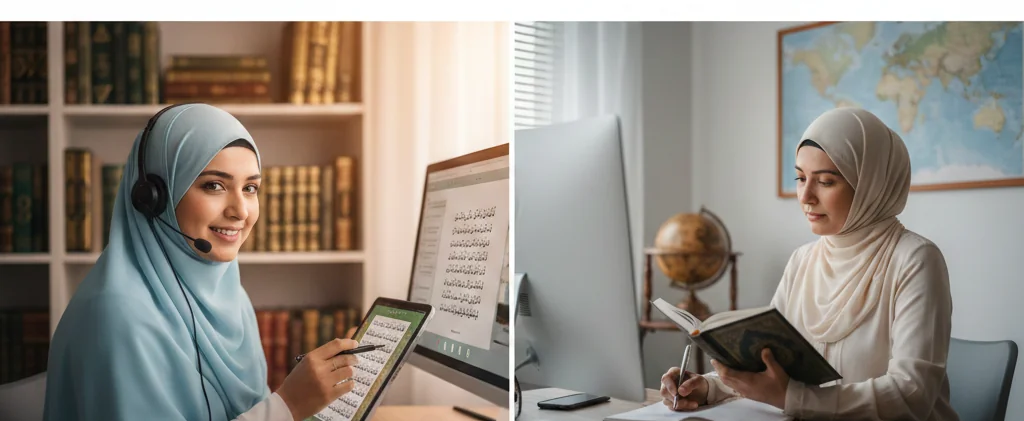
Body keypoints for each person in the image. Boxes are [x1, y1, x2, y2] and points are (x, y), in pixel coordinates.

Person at [43, 103, 357, 421]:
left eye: (250, 188)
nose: (241, 211)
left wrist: (325, 392)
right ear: (153, 198)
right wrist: (289, 405)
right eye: (214, 185)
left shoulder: (232, 297)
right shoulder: (116, 314)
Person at [659, 107, 958, 421]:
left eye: (826, 182)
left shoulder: (915, 259)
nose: (806, 196)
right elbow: (768, 368)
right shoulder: (803, 260)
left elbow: (912, 394)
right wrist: (705, 387)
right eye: (800, 178)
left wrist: (793, 397)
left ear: (871, 185)